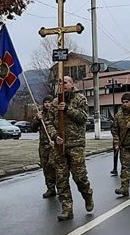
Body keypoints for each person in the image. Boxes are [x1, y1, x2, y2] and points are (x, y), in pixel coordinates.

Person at [55, 75, 94, 221]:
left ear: (71, 84)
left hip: (76, 144)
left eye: (65, 83)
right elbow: (50, 123)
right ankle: (67, 208)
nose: (62, 85)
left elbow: (83, 118)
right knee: (61, 178)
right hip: (60, 145)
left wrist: (67, 109)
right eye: (60, 83)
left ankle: (87, 194)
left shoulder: (80, 99)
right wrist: (54, 136)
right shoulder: (55, 102)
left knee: (79, 176)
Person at [29, 95, 58, 198]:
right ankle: (50, 188)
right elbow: (32, 128)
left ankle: (61, 187)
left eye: (49, 102)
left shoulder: (56, 113)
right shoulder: (41, 114)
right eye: (45, 102)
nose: (47, 104)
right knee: (46, 167)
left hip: (54, 144)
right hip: (43, 146)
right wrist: (37, 119)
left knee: (55, 166)